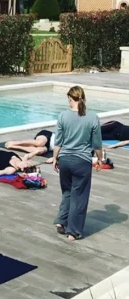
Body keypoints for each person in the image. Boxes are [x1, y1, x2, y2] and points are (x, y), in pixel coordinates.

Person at [52, 86, 103, 242]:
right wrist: (100, 159)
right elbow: (97, 144)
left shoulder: (63, 116)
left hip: (65, 160)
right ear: (83, 99)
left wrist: (55, 158)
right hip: (82, 162)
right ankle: (73, 232)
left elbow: (58, 141)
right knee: (79, 196)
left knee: (67, 192)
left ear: (70, 99)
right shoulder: (92, 117)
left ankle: (61, 221)